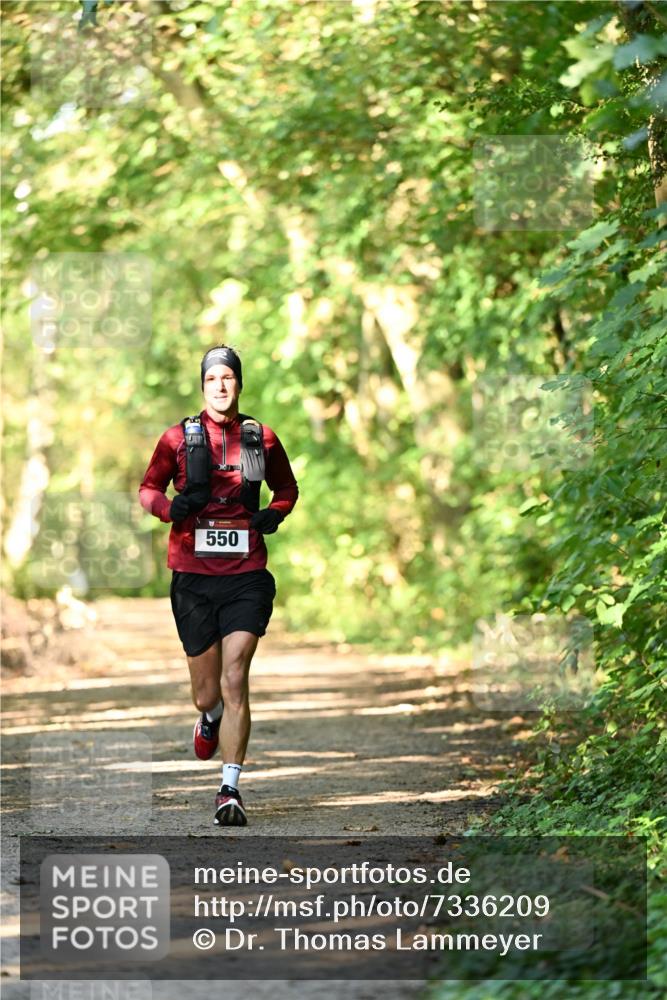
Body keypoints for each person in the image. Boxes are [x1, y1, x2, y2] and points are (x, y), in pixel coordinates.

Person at [138, 345, 298, 826]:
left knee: (236, 677)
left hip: (247, 575)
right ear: (203, 385)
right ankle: (208, 720)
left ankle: (230, 789)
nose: (221, 386)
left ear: (239, 384)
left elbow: (286, 489)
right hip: (192, 578)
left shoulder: (261, 438)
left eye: (229, 378)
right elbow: (148, 489)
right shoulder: (176, 439)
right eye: (213, 379)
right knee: (208, 694)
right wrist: (171, 510)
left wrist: (275, 513)